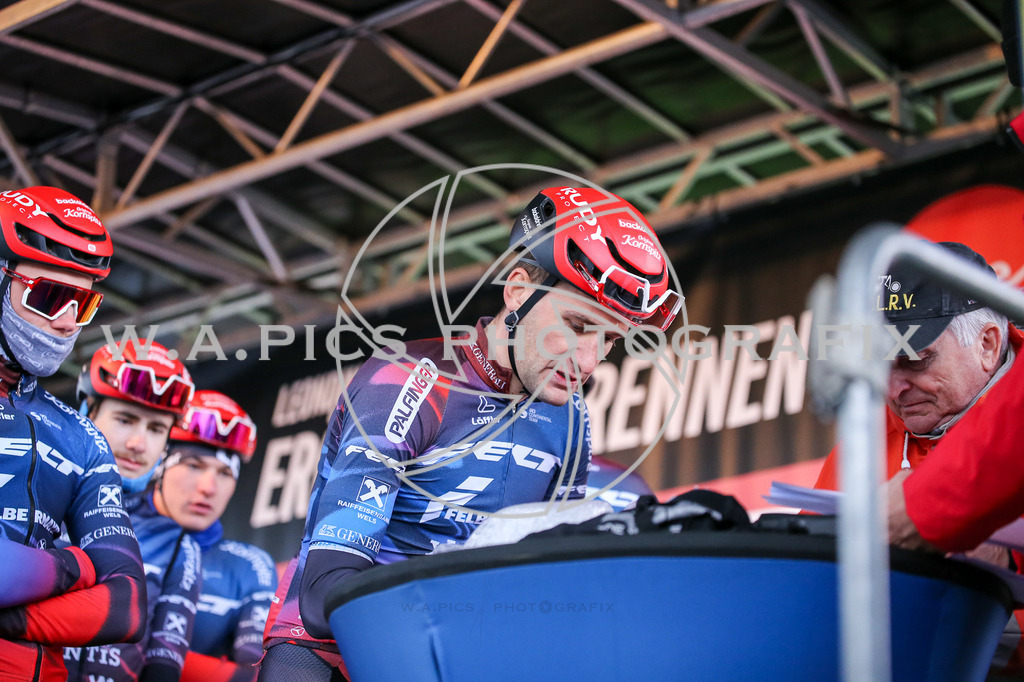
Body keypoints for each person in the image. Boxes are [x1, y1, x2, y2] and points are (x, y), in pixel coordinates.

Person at [258, 186, 683, 679]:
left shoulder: (570, 417)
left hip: (451, 651)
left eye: (610, 338)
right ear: (518, 289)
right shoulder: (408, 379)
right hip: (330, 651)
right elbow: (326, 593)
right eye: (576, 324)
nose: (589, 362)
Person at [813, 240, 1024, 675]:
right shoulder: (861, 444)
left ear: (987, 344)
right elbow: (810, 589)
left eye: (913, 360)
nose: (893, 390)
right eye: (880, 364)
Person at [0, 186, 147, 679]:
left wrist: (14, 616)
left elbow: (126, 605)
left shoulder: (82, 435)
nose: (66, 323)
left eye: (82, 305)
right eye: (47, 296)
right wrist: (74, 567)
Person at [65, 339, 201, 682]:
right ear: (87, 412)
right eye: (125, 419)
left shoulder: (179, 546)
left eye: (156, 429)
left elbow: (163, 670)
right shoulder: (34, 498)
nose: (138, 444)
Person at [154, 390, 277, 682]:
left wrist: (149, 650)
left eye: (224, 473)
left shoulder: (250, 565)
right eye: (194, 465)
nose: (209, 487)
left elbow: (257, 673)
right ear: (159, 465)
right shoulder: (108, 535)